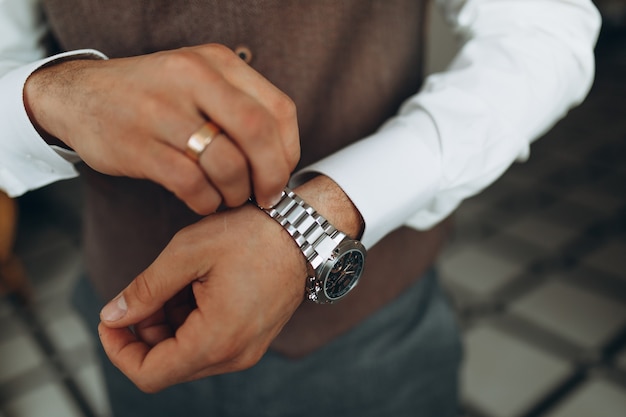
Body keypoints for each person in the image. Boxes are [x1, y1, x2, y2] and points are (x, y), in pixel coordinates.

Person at [0, 1, 601, 416]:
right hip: (125, 319)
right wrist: (55, 96)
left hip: (371, 338)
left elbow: (544, 29)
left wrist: (334, 208)